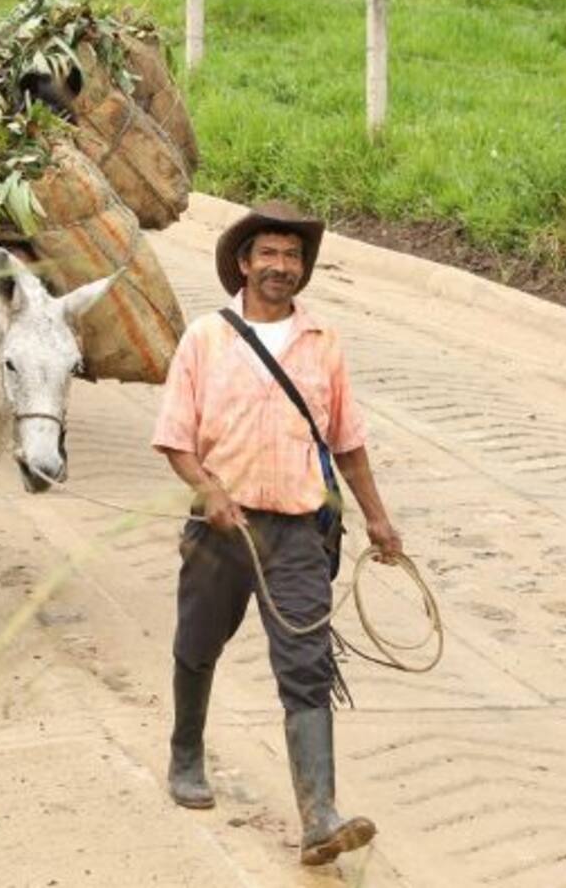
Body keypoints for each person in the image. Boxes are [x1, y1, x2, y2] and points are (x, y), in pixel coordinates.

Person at [151, 201, 403, 865]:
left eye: (293, 257)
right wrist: (209, 491)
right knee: (198, 642)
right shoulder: (206, 338)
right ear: (244, 262)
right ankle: (185, 755)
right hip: (222, 528)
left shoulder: (324, 343)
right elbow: (175, 439)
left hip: (297, 532)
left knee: (306, 666)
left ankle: (319, 815)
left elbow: (347, 443)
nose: (281, 268)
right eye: (269, 254)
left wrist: (377, 517)